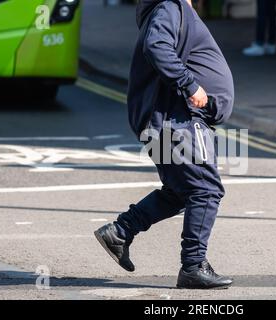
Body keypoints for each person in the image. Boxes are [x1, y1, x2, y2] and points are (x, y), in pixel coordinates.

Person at [94, 0, 235, 289]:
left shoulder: (173, 9)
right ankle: (194, 266)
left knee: (181, 191)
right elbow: (156, 46)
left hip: (166, 121)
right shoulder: (170, 7)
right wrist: (190, 84)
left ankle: (120, 232)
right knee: (205, 190)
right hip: (176, 121)